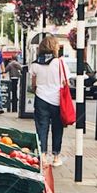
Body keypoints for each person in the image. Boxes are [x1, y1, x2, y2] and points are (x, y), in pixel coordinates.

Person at [30, 34, 65, 167]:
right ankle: (56, 157)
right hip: (56, 100)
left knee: (42, 128)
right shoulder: (60, 63)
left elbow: (33, 85)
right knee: (57, 128)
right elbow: (64, 81)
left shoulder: (35, 64)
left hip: (41, 99)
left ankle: (43, 156)